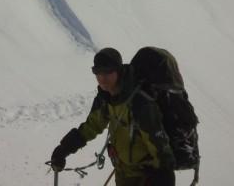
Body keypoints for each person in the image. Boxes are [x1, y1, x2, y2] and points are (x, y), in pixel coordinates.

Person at [50, 48, 176, 186]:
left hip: (147, 176)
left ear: (118, 71)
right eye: (98, 73)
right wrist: (64, 148)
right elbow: (91, 126)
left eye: (107, 72)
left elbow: (157, 142)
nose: (102, 78)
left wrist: (164, 174)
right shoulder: (105, 98)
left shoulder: (139, 103)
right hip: (123, 173)